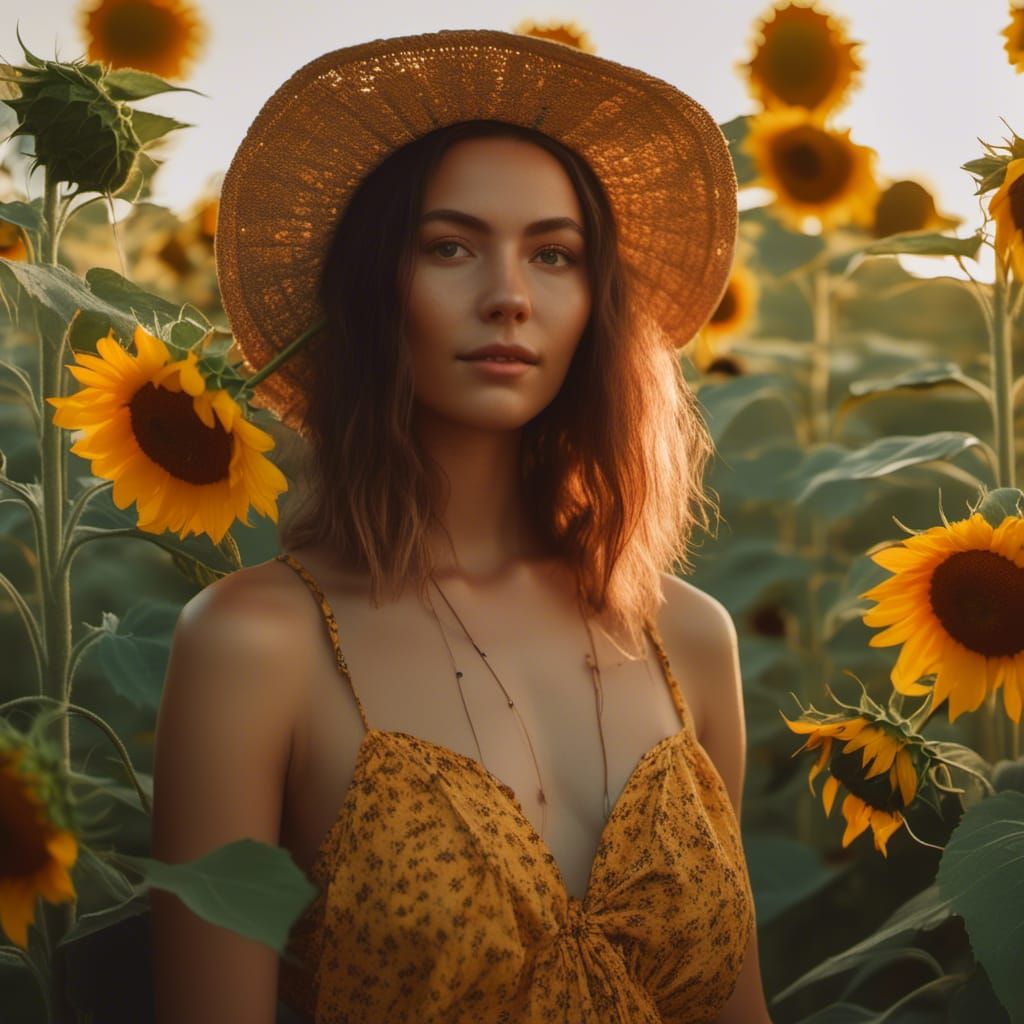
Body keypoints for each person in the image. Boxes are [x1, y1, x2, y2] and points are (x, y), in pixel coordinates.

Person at [150, 28, 773, 1024]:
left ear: (593, 303)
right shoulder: (253, 645)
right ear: (372, 291)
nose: (508, 297)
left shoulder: (688, 639)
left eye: (554, 255)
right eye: (449, 247)